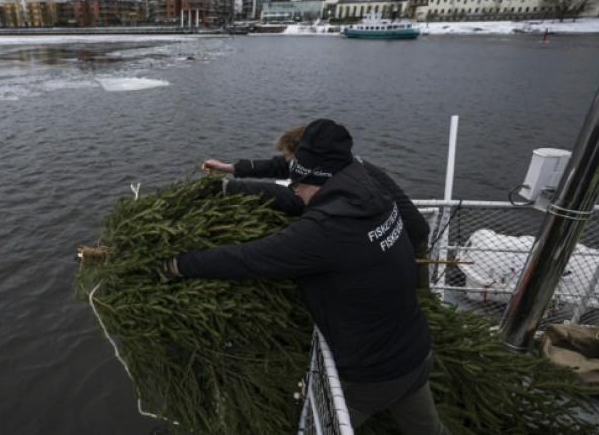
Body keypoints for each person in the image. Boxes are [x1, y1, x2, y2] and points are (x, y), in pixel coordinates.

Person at [162, 119, 448, 434]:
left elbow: (248, 259)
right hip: (416, 354)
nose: (294, 189)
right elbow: (295, 198)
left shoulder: (327, 231)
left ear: (318, 180)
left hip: (371, 374)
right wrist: (229, 186)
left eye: (298, 183)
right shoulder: (367, 186)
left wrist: (179, 264)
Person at [203, 125, 431, 268]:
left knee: (410, 292)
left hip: (408, 239)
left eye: (290, 159)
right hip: (405, 231)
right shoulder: (336, 163)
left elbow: (285, 197)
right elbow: (278, 167)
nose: (288, 166)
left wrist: (224, 189)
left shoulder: (330, 181)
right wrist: (229, 168)